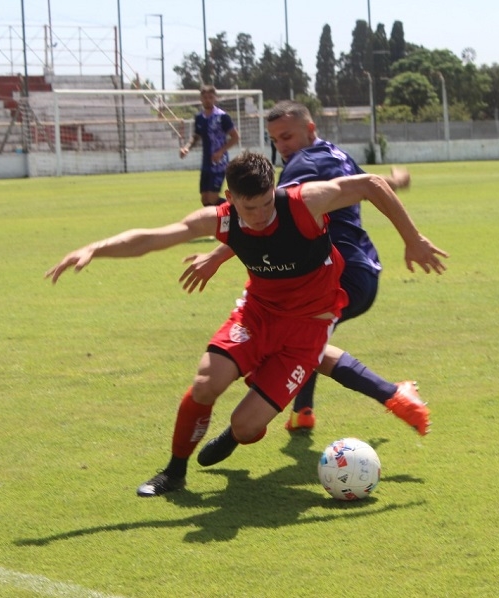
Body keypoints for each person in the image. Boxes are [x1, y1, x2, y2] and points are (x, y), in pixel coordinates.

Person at [45, 152, 447, 497]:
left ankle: (238, 432)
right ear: (229, 198)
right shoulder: (220, 220)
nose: (259, 216)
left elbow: (372, 184)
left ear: (274, 190)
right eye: (248, 208)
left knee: (245, 425)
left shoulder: (304, 202)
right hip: (258, 314)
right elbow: (154, 238)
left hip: (309, 325)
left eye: (266, 203)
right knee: (206, 384)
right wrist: (95, 247)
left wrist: (413, 239)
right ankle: (174, 472)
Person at [180, 100, 433, 435]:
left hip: (330, 273)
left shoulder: (302, 165)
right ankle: (303, 410)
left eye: (287, 137)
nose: (282, 146)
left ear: (310, 129)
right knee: (301, 340)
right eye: (275, 140)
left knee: (297, 341)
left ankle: (392, 394)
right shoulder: (335, 154)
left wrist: (216, 255)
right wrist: (395, 180)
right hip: (362, 269)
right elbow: (367, 184)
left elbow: (264, 221)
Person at [179, 85, 240, 206]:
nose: (207, 100)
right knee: (205, 200)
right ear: (201, 99)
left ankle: (238, 209)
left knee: (212, 199)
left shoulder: (222, 117)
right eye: (205, 97)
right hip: (206, 163)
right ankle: (224, 215)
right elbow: (196, 136)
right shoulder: (199, 118)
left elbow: (235, 137)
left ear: (215, 98)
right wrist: (186, 147)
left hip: (219, 164)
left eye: (210, 97)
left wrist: (221, 152)